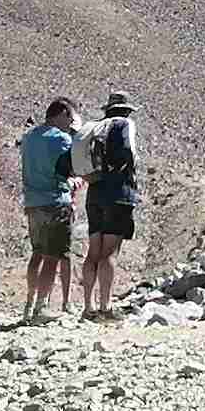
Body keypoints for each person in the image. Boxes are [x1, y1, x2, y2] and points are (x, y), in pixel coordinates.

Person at [76, 90, 143, 321]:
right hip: (118, 193)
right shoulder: (124, 124)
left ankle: (88, 307)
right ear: (126, 110)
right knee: (110, 252)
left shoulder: (96, 127)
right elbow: (126, 150)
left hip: (94, 192)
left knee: (93, 252)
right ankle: (105, 308)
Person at [15, 95, 80, 324]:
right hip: (55, 202)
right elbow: (72, 168)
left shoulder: (29, 136)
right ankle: (41, 308)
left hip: (33, 203)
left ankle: (29, 304)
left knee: (37, 253)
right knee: (53, 257)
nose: (70, 123)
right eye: (70, 118)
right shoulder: (61, 139)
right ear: (62, 113)